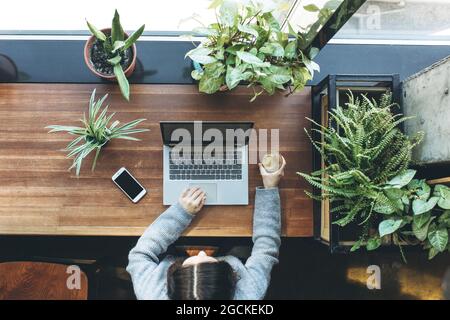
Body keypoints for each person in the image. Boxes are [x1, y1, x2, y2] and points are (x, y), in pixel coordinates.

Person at [127, 157, 286, 300]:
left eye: (192, 261)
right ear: (229, 283)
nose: (202, 252)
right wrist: (269, 188)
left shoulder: (151, 294)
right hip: (230, 251)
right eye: (211, 262)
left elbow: (139, 255)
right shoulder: (250, 294)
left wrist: (181, 213)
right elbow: (266, 246)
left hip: (171, 251)